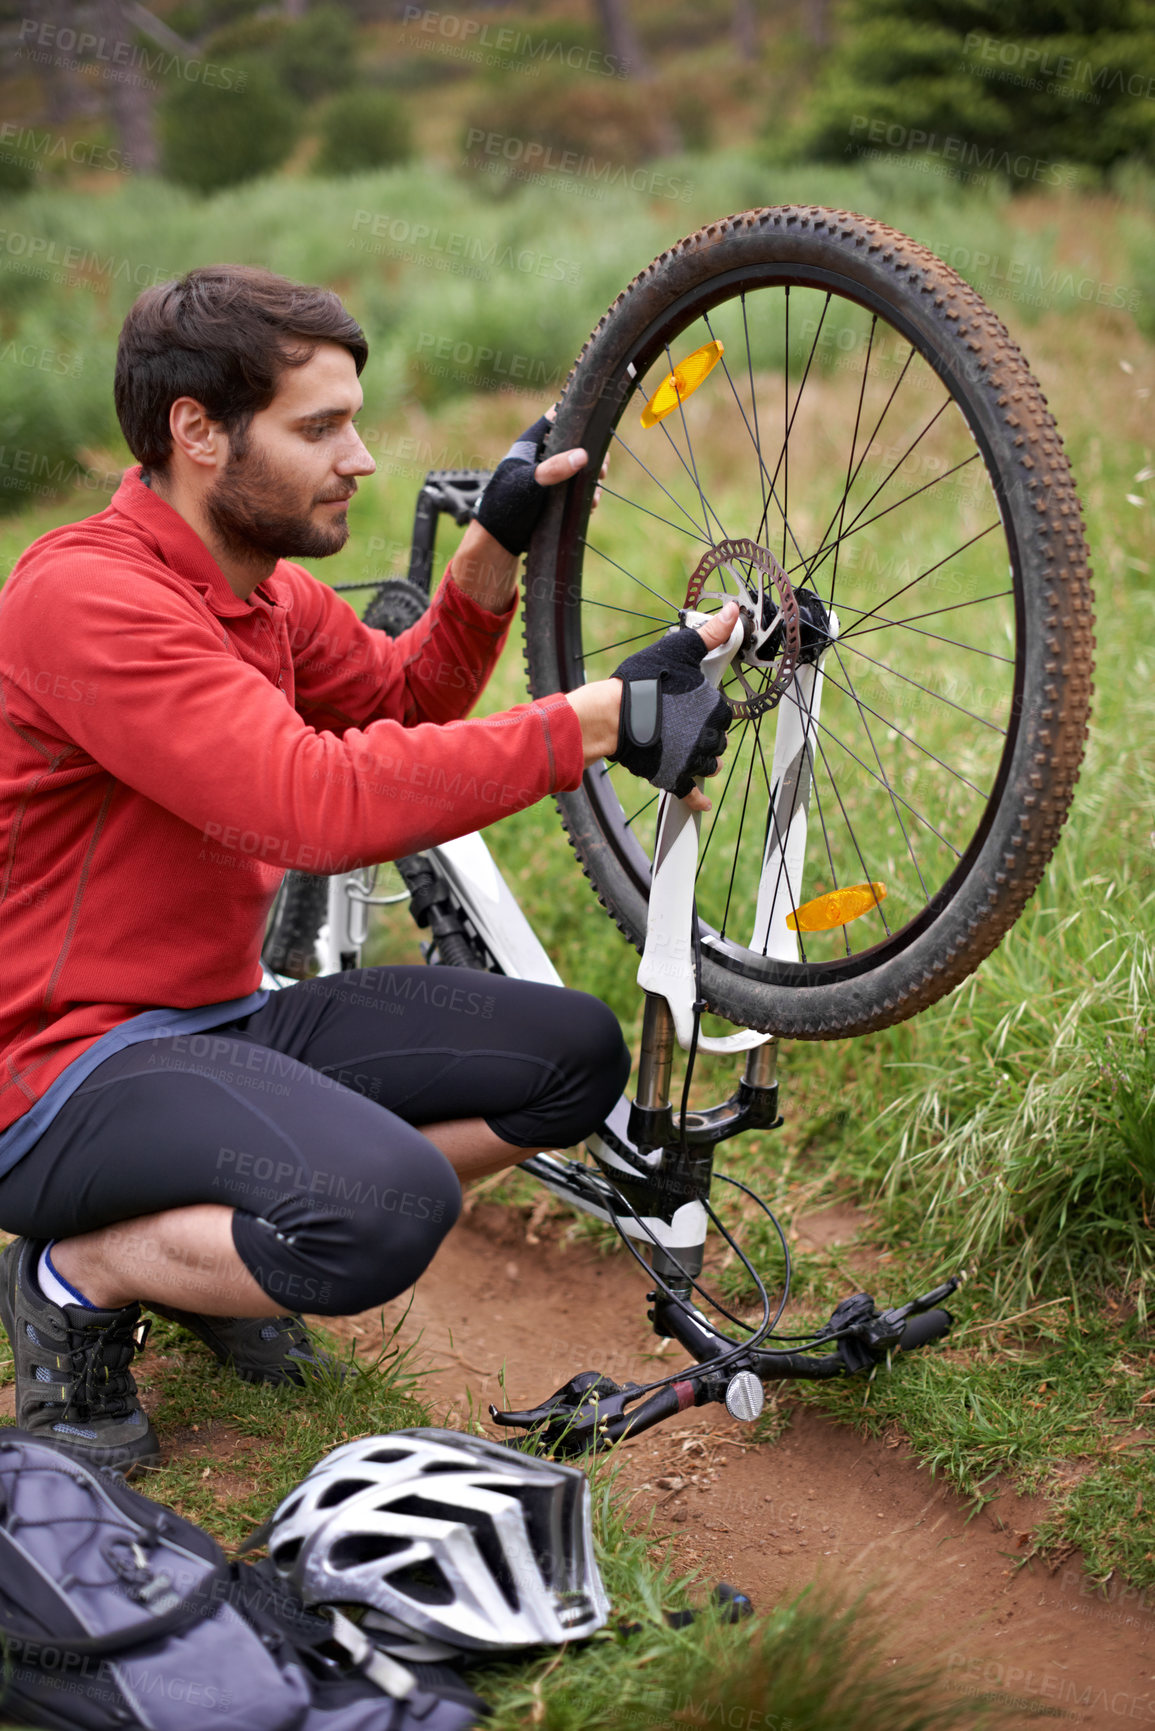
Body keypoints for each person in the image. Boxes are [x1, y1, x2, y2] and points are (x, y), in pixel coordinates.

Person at [0, 265, 736, 1473]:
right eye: (320, 428)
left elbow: (404, 698)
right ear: (198, 432)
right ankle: (72, 1276)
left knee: (570, 1056)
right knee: (384, 1206)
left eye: (354, 420)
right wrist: (594, 723)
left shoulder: (264, 593)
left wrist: (495, 542)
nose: (362, 457)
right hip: (56, 1072)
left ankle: (210, 1256)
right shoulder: (86, 600)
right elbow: (313, 805)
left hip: (219, 1021)